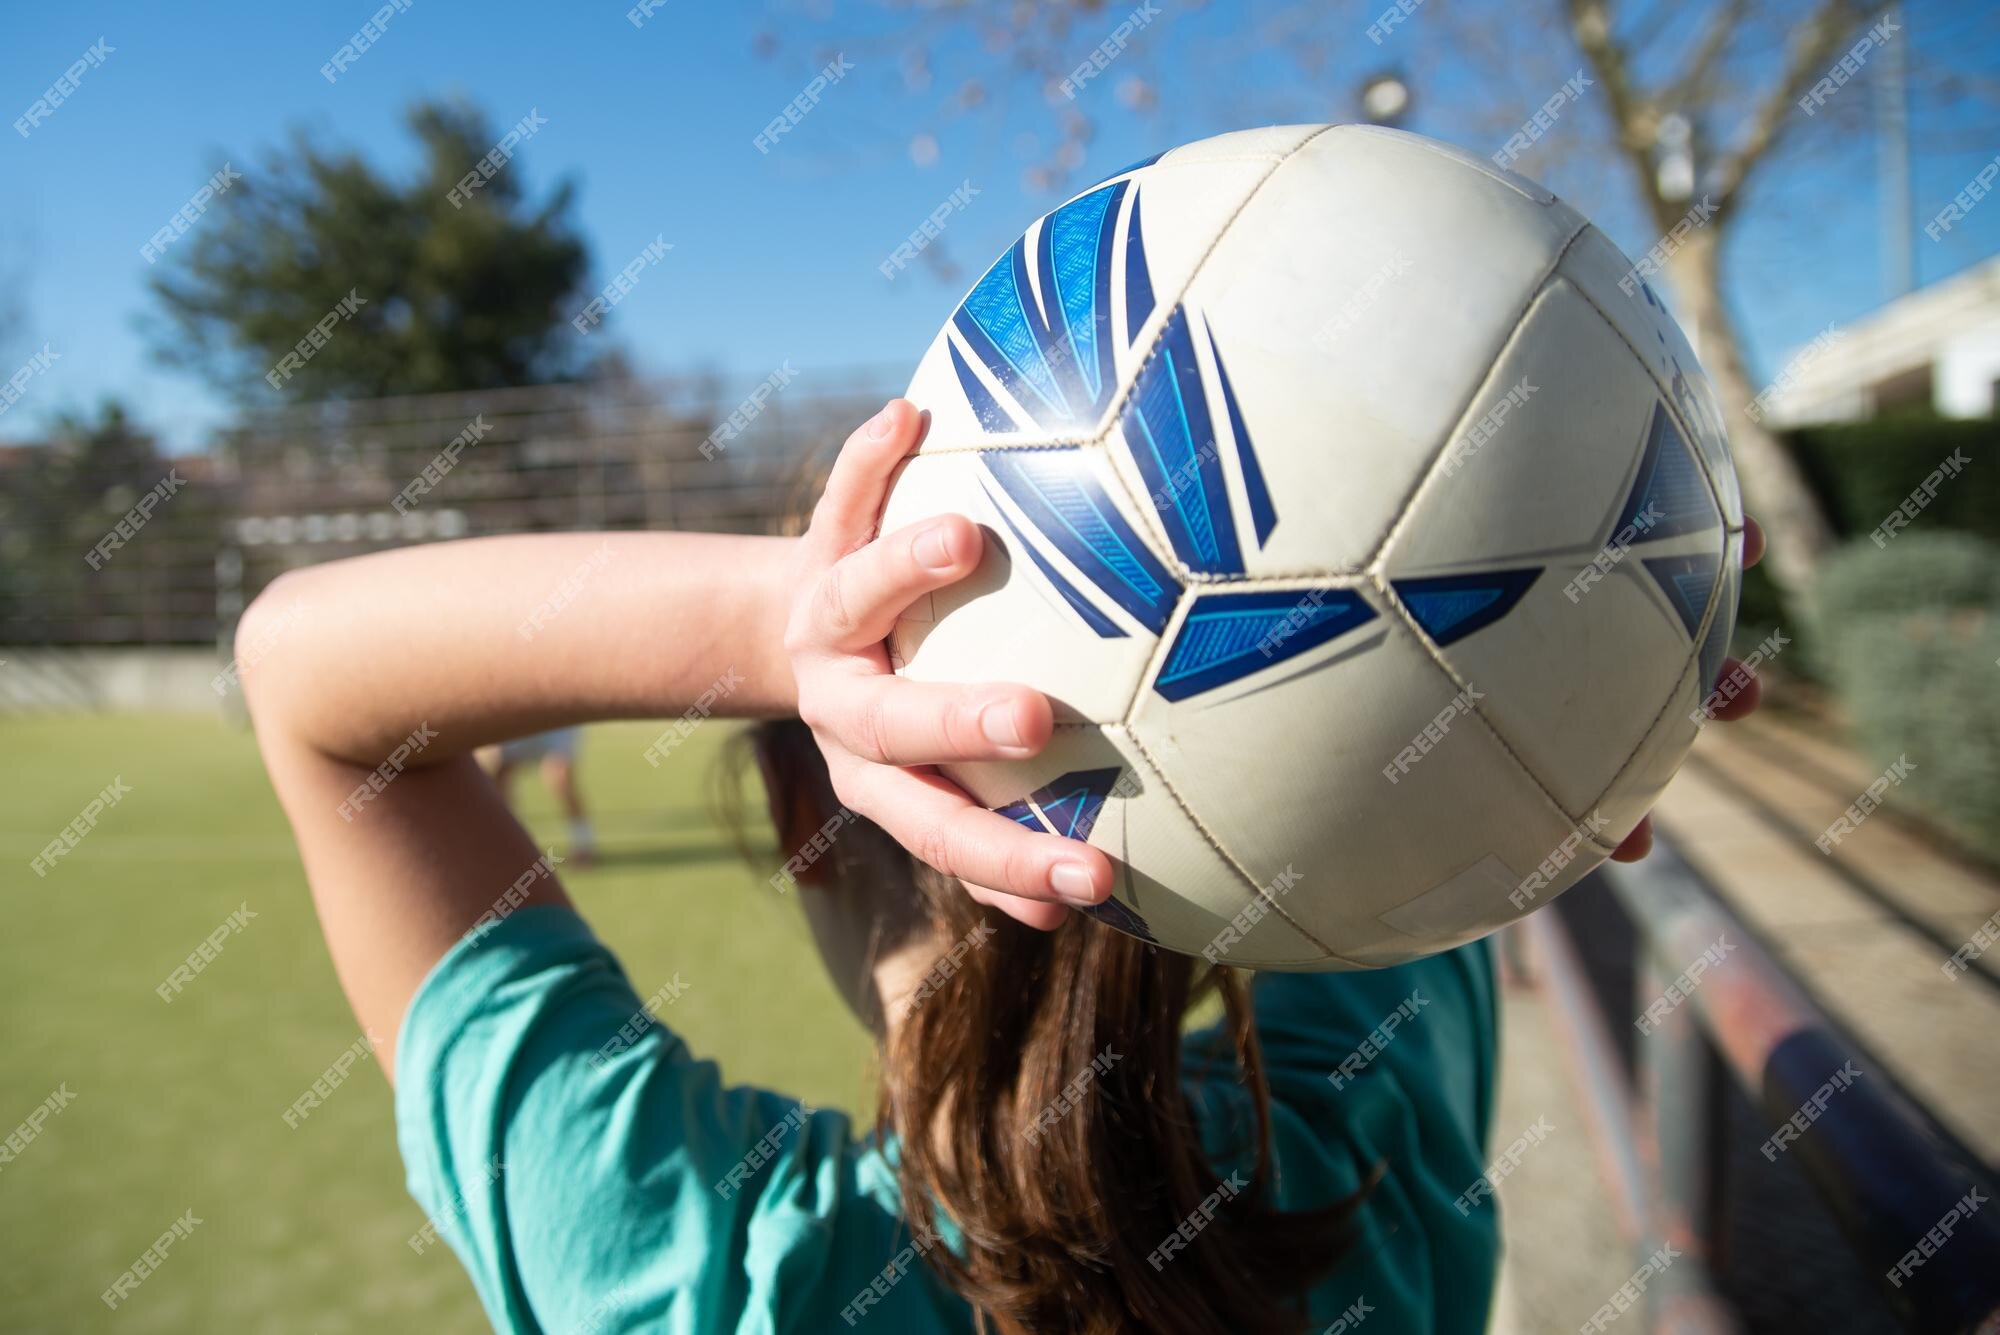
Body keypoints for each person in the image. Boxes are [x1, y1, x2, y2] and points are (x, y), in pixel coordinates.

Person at [240, 400, 1766, 1334]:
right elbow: (1424, 748)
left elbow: (302, 672)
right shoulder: (1362, 1134)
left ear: (803, 819)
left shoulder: (711, 1271)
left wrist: (796, 621)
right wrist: (1596, 683)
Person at [479, 728, 598, 867]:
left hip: (556, 724)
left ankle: (583, 842)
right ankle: (509, 843)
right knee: (500, 774)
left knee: (560, 777)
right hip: (518, 721)